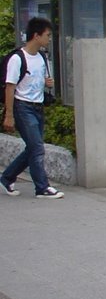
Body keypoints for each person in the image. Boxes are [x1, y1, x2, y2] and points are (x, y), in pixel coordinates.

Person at [1, 17, 64, 199]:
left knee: (32, 147)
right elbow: (10, 87)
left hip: (38, 106)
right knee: (37, 148)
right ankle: (42, 187)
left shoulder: (42, 57)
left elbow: (42, 80)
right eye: (47, 35)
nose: (49, 39)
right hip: (22, 107)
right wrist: (9, 115)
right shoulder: (17, 58)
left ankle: (7, 177)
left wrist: (47, 83)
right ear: (36, 36)